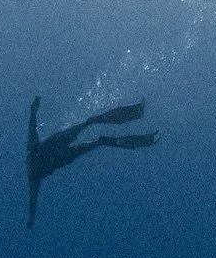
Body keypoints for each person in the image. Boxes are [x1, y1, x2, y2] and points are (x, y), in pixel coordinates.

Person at [26, 95, 158, 227]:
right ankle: (134, 114)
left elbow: (33, 200)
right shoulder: (32, 163)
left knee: (95, 134)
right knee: (91, 125)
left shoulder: (33, 173)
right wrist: (34, 108)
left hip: (63, 151)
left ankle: (132, 117)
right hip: (62, 147)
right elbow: (32, 125)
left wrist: (34, 109)